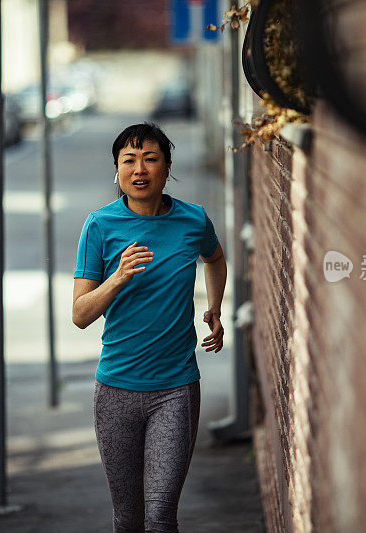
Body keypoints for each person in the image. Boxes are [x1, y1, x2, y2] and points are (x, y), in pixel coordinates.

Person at [72, 123, 227, 532]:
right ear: (117, 171)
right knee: (128, 518)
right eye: (129, 160)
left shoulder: (193, 220)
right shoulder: (100, 226)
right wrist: (119, 276)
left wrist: (214, 307)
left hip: (175, 390)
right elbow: (81, 314)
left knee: (159, 517)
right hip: (116, 392)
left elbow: (214, 258)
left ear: (167, 166)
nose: (139, 169)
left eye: (150, 159)